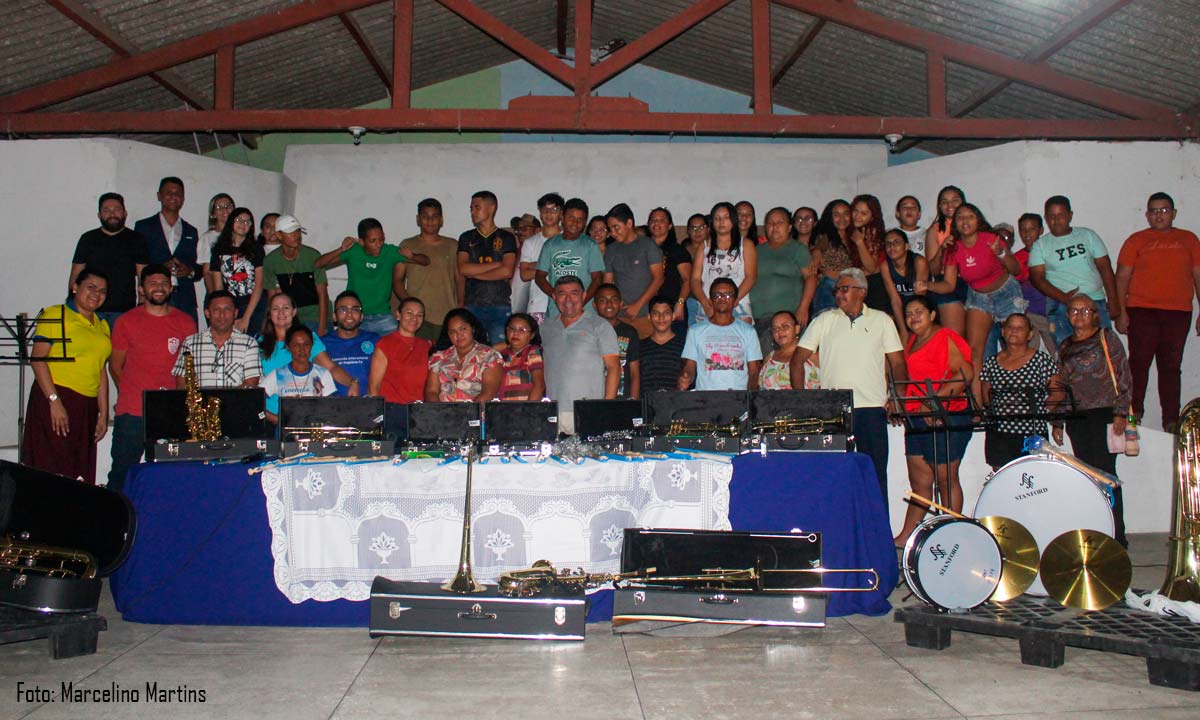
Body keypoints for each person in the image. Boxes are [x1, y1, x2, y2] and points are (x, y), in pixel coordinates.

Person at [791, 268, 907, 507]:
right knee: (836, 476)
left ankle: (877, 538)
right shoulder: (824, 320)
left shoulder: (882, 320)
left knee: (874, 476)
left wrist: (898, 397)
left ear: (862, 292)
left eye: (845, 289)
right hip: (835, 411)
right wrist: (802, 400)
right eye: (837, 290)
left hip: (872, 409)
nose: (839, 294)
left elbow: (897, 362)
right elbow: (797, 360)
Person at [1115, 192, 1200, 432]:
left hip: (1178, 311)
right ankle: (1134, 415)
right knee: (1139, 363)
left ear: (1173, 213)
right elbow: (1121, 277)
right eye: (1154, 211)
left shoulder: (1189, 239)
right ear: (1147, 215)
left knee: (1171, 366)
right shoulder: (1137, 240)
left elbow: (1198, 276)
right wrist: (1120, 312)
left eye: (1164, 210)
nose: (1159, 215)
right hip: (1142, 310)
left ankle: (1172, 421)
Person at [919, 203, 1022, 400]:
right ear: (955, 224)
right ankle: (978, 404)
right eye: (960, 218)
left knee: (1015, 346)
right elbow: (948, 285)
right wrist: (927, 285)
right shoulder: (953, 249)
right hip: (979, 298)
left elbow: (1016, 270)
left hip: (1007, 295)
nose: (965, 221)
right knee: (974, 351)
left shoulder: (991, 239)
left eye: (970, 217)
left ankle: (1014, 398)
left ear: (978, 220)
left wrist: (1000, 253)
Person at [108, 264, 196, 493]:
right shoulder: (126, 321)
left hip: (171, 415)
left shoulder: (185, 322)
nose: (159, 288)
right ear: (141, 289)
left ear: (171, 288)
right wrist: (131, 394)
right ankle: (115, 526)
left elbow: (188, 370)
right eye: (153, 283)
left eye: (164, 283)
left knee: (169, 477)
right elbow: (115, 367)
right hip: (133, 413)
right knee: (123, 474)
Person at [894, 296, 973, 546]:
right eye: (909, 313)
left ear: (932, 315)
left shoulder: (945, 337)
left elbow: (965, 374)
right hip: (917, 418)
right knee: (919, 482)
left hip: (946, 415)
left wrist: (934, 402)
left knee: (945, 479)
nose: (913, 317)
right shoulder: (913, 342)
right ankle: (907, 535)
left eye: (919, 311)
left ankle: (951, 533)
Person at [1053, 294, 1131, 547]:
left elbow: (1123, 375)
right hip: (1077, 418)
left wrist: (1121, 412)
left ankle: (1117, 536)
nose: (1079, 316)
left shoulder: (1107, 338)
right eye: (1074, 311)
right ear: (1067, 316)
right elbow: (1062, 385)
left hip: (1106, 414)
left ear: (1094, 313)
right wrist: (1058, 422)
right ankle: (1096, 531)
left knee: (1107, 474)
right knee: (1087, 476)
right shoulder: (1064, 346)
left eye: (1085, 311)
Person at [23, 267, 112, 484]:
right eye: (90, 287)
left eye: (102, 291)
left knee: (79, 471)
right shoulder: (55, 314)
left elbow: (100, 369)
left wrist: (103, 411)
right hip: (57, 398)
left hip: (86, 405)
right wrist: (54, 402)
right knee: (52, 469)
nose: (96, 294)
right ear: (75, 287)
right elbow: (38, 359)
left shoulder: (102, 325)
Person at [1029, 195, 1122, 345]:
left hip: (1094, 300)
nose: (1056, 220)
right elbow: (1037, 278)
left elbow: (1105, 267)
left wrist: (1113, 300)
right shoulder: (1040, 245)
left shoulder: (1087, 235)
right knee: (1065, 349)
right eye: (1051, 216)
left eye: (1061, 215)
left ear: (1070, 215)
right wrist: (1063, 297)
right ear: (1046, 218)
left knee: (1103, 346)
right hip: (1059, 304)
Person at [316, 218, 428, 336]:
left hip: (382, 316)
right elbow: (318, 264)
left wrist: (412, 256)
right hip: (355, 315)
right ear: (362, 241)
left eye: (381, 239)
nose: (378, 244)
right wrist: (341, 249)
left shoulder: (389, 252)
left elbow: (426, 260)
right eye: (373, 241)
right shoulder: (353, 251)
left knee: (398, 341)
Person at [980, 313, 1062, 469]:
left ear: (1030, 334)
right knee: (1003, 479)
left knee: (1033, 483)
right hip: (999, 434)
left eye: (1020, 328)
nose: (1014, 331)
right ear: (1003, 332)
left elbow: (1058, 392)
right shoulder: (991, 362)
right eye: (1010, 327)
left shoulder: (1041, 359)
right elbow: (986, 394)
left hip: (1031, 432)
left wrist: (1041, 412)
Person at [541, 275, 620, 434]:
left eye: (574, 293)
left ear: (584, 296)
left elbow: (614, 368)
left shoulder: (599, 326)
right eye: (562, 294)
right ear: (554, 297)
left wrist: (605, 408)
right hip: (552, 412)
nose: (568, 299)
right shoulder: (546, 328)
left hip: (587, 412)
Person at [258, 292, 357, 416]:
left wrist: (352, 382)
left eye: (286, 308)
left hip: (305, 416)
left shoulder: (308, 339)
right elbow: (256, 388)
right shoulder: (258, 343)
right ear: (269, 314)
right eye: (275, 308)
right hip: (271, 416)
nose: (281, 312)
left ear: (294, 312)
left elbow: (331, 367)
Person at [69, 192, 149, 328]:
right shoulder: (88, 239)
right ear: (99, 215)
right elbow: (76, 273)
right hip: (91, 310)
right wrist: (71, 306)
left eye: (117, 209)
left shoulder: (136, 239)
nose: (112, 214)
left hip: (124, 311)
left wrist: (141, 307)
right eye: (107, 210)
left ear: (125, 213)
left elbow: (143, 275)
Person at [136, 177, 203, 323]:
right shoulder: (143, 227)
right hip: (155, 295)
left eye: (178, 193)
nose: (173, 196)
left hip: (184, 297)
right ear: (159, 195)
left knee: (188, 341)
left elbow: (200, 268)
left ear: (183, 199)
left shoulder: (191, 231)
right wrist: (158, 269)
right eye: (169, 192)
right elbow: (137, 263)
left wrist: (189, 271)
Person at [679, 277, 762, 391]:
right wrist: (685, 377)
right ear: (710, 300)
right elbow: (690, 367)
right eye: (717, 295)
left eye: (728, 295)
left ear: (735, 300)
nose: (722, 298)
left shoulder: (748, 331)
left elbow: (753, 371)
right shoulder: (695, 331)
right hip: (706, 398)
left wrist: (750, 396)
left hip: (738, 398)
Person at [457, 190, 518, 344]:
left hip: (499, 305)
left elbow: (507, 271)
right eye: (471, 208)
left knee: (500, 352)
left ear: (491, 208)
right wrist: (495, 265)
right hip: (473, 305)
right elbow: (463, 269)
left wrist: (475, 273)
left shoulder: (507, 237)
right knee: (473, 351)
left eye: (477, 207)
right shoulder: (466, 237)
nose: (472, 212)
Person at [396, 198, 458, 341]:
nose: (430, 221)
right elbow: (397, 281)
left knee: (445, 360)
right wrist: (410, 306)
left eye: (435, 216)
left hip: (446, 314)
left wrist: (459, 308)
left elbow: (460, 279)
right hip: (416, 320)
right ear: (418, 219)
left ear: (441, 220)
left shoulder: (452, 245)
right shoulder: (407, 245)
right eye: (425, 216)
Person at [173, 290, 262, 388]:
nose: (222, 315)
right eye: (216, 310)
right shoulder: (190, 344)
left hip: (236, 403)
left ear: (235, 313)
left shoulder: (249, 344)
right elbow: (182, 384)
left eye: (227, 310)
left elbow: (251, 384)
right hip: (200, 403)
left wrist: (226, 402)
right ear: (207, 313)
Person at [751, 207, 812, 352]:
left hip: (787, 321)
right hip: (760, 320)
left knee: (788, 366)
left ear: (790, 227)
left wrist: (803, 307)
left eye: (780, 222)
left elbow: (810, 278)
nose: (775, 226)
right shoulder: (757, 250)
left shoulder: (797, 249)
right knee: (767, 367)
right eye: (770, 223)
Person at [535, 197, 605, 321]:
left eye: (580, 220)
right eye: (571, 218)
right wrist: (556, 296)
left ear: (585, 222)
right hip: (557, 311)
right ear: (562, 216)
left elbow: (597, 279)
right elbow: (539, 277)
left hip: (585, 311)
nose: (575, 223)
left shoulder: (590, 245)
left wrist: (580, 304)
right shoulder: (550, 245)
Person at [689, 201, 756, 327]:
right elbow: (695, 279)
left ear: (733, 220)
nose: (721, 222)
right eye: (717, 218)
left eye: (726, 217)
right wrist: (704, 302)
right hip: (709, 307)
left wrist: (733, 301)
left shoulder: (746, 245)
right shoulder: (704, 246)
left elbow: (751, 277)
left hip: (738, 306)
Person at [604, 203, 664, 338]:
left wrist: (637, 305)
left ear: (629, 223)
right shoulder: (611, 250)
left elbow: (659, 279)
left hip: (645, 315)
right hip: (619, 316)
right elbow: (607, 283)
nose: (612, 233)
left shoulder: (647, 245)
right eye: (610, 229)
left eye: (616, 227)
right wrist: (613, 306)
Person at [264, 214, 330, 336]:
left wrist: (322, 326)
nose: (296, 235)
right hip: (290, 317)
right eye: (290, 232)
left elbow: (323, 294)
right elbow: (271, 297)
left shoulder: (312, 256)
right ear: (279, 235)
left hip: (315, 315)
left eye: (298, 231)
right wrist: (272, 325)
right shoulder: (271, 261)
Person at [425, 308, 503, 403]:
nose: (459, 335)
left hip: (475, 414)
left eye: (463, 329)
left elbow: (488, 393)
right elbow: (431, 392)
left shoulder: (489, 356)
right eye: (453, 332)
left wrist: (469, 415)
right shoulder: (438, 358)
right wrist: (439, 414)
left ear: (473, 329)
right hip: (442, 413)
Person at [208, 206, 265, 334]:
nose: (243, 224)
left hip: (252, 305)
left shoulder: (256, 249)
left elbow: (259, 284)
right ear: (231, 222)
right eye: (239, 220)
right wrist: (226, 312)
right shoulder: (219, 249)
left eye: (247, 221)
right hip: (230, 305)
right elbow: (218, 287)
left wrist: (246, 317)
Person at [261, 325, 336, 423]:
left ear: (312, 345)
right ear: (288, 347)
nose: (302, 349)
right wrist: (278, 420)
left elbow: (331, 408)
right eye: (296, 345)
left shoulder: (323, 374)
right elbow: (255, 402)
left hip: (315, 431)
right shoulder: (278, 375)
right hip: (286, 434)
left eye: (306, 344)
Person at [924, 185, 968, 338]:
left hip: (975, 284)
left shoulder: (974, 225)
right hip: (948, 285)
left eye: (955, 200)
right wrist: (942, 249)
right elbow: (933, 270)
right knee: (955, 340)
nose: (950, 205)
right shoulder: (934, 230)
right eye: (945, 202)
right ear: (939, 206)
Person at [368, 297, 430, 404]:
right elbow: (374, 386)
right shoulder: (385, 344)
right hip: (392, 409)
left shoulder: (425, 346)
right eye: (409, 313)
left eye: (419, 315)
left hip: (418, 411)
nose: (414, 318)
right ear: (398, 315)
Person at [321, 291, 379, 396]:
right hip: (331, 407)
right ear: (334, 316)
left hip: (367, 405)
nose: (349, 314)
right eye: (343, 309)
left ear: (361, 316)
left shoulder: (375, 340)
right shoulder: (322, 343)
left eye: (355, 309)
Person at [805, 199, 855, 320]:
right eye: (836, 214)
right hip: (829, 287)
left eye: (845, 214)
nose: (842, 218)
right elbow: (819, 248)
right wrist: (817, 253)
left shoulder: (855, 237)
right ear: (830, 217)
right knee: (829, 324)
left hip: (850, 289)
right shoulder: (825, 235)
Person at [1014, 213, 1057, 356]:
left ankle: (1060, 377)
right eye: (1023, 229)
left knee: (1057, 350)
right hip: (1030, 313)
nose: (1027, 233)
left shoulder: (1050, 253)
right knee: (1030, 353)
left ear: (1041, 230)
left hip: (1051, 313)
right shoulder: (1016, 258)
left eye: (1032, 229)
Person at [515, 193, 562, 322]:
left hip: (564, 305)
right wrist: (552, 265)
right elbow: (524, 274)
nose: (549, 214)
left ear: (561, 213)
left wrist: (533, 265)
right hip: (537, 304)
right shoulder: (530, 242)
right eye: (544, 210)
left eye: (553, 210)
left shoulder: (568, 239)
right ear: (540, 213)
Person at [647, 207, 692, 333]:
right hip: (647, 310)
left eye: (661, 220)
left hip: (673, 308)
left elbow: (688, 280)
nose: (656, 223)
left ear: (670, 225)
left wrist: (680, 303)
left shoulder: (678, 250)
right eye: (653, 220)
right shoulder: (642, 249)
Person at [593, 284, 641, 399]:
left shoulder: (629, 332)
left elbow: (635, 372)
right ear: (595, 305)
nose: (609, 304)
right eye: (603, 300)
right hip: (595, 397)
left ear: (620, 304)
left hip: (623, 398)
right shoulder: (589, 331)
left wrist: (633, 400)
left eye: (614, 300)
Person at [882, 228, 929, 342]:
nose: (891, 246)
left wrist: (913, 322)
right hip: (901, 311)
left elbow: (921, 297)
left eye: (896, 242)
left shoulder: (919, 261)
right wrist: (903, 330)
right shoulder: (885, 266)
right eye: (888, 244)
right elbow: (895, 300)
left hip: (922, 308)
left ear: (907, 246)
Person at [493, 313, 545, 401]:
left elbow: (539, 385)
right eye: (512, 329)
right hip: (501, 409)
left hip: (524, 409)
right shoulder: (502, 355)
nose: (516, 333)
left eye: (522, 330)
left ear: (532, 335)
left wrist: (530, 410)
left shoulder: (532, 352)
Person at [850, 194, 887, 315]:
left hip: (872, 285)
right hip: (858, 284)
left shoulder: (871, 232)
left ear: (872, 217)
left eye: (864, 213)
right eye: (855, 211)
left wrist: (860, 242)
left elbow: (871, 267)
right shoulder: (853, 231)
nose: (857, 216)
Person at [640, 296, 687, 394]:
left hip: (677, 404)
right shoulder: (640, 347)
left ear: (673, 316)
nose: (661, 318)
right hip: (647, 404)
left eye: (666, 313)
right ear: (649, 317)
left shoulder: (685, 345)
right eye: (656, 313)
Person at [199, 193, 234, 291]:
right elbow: (207, 272)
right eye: (219, 207)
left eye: (228, 206)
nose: (225, 210)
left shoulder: (242, 236)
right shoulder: (207, 237)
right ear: (213, 214)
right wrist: (214, 297)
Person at [758, 311, 801, 390]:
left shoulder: (811, 355)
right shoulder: (769, 358)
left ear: (797, 329)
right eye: (775, 329)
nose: (780, 331)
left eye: (785, 326)